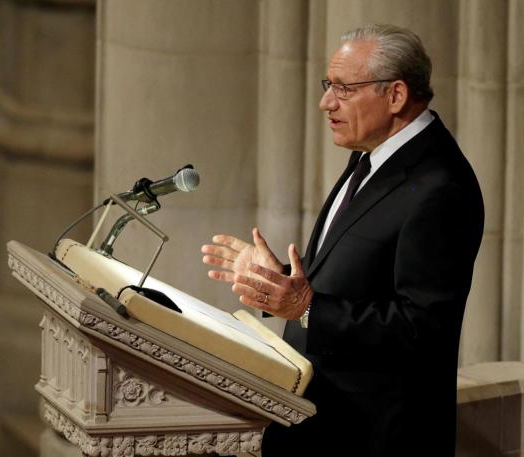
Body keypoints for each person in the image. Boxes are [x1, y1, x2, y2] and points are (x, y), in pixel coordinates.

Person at [201, 24, 483, 456]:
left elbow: (423, 330)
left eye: (344, 89)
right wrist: (276, 281)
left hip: (372, 438)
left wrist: (306, 307)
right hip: (316, 422)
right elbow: (351, 282)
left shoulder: (441, 187)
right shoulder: (371, 154)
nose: (325, 102)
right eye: (327, 85)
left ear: (396, 96)